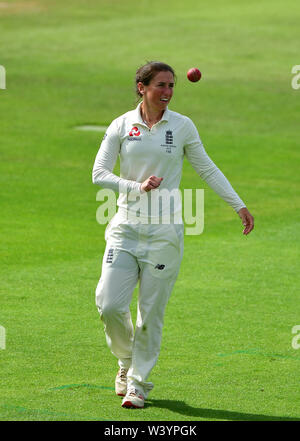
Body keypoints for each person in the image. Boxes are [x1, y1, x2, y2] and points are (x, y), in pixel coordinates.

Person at [92, 61, 254, 409]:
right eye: (160, 85)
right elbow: (99, 173)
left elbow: (206, 167)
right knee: (109, 304)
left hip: (165, 233)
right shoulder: (122, 125)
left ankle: (138, 384)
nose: (167, 92)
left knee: (151, 313)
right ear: (141, 87)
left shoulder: (182, 126)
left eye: (172, 86)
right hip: (125, 227)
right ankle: (125, 362)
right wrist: (136, 186)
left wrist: (238, 205)